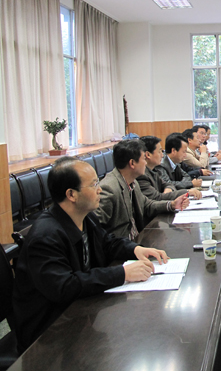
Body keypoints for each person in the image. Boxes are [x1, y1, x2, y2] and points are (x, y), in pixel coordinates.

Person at [12, 156, 170, 351]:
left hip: (79, 311)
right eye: (94, 184)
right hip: (48, 333)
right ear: (71, 194)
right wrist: (122, 273)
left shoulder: (84, 217)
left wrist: (136, 249)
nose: (100, 189)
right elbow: (64, 286)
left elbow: (107, 243)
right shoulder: (45, 236)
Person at [95, 140, 189, 239]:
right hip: (123, 244)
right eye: (144, 159)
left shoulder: (133, 182)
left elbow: (147, 205)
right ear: (132, 163)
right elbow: (96, 230)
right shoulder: (109, 188)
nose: (145, 163)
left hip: (136, 239)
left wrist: (172, 205)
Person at [137, 135, 202, 200]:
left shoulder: (153, 171)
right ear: (148, 155)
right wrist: (187, 191)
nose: (162, 155)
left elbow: (168, 184)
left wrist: (169, 188)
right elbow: (156, 197)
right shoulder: (143, 174)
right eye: (159, 151)